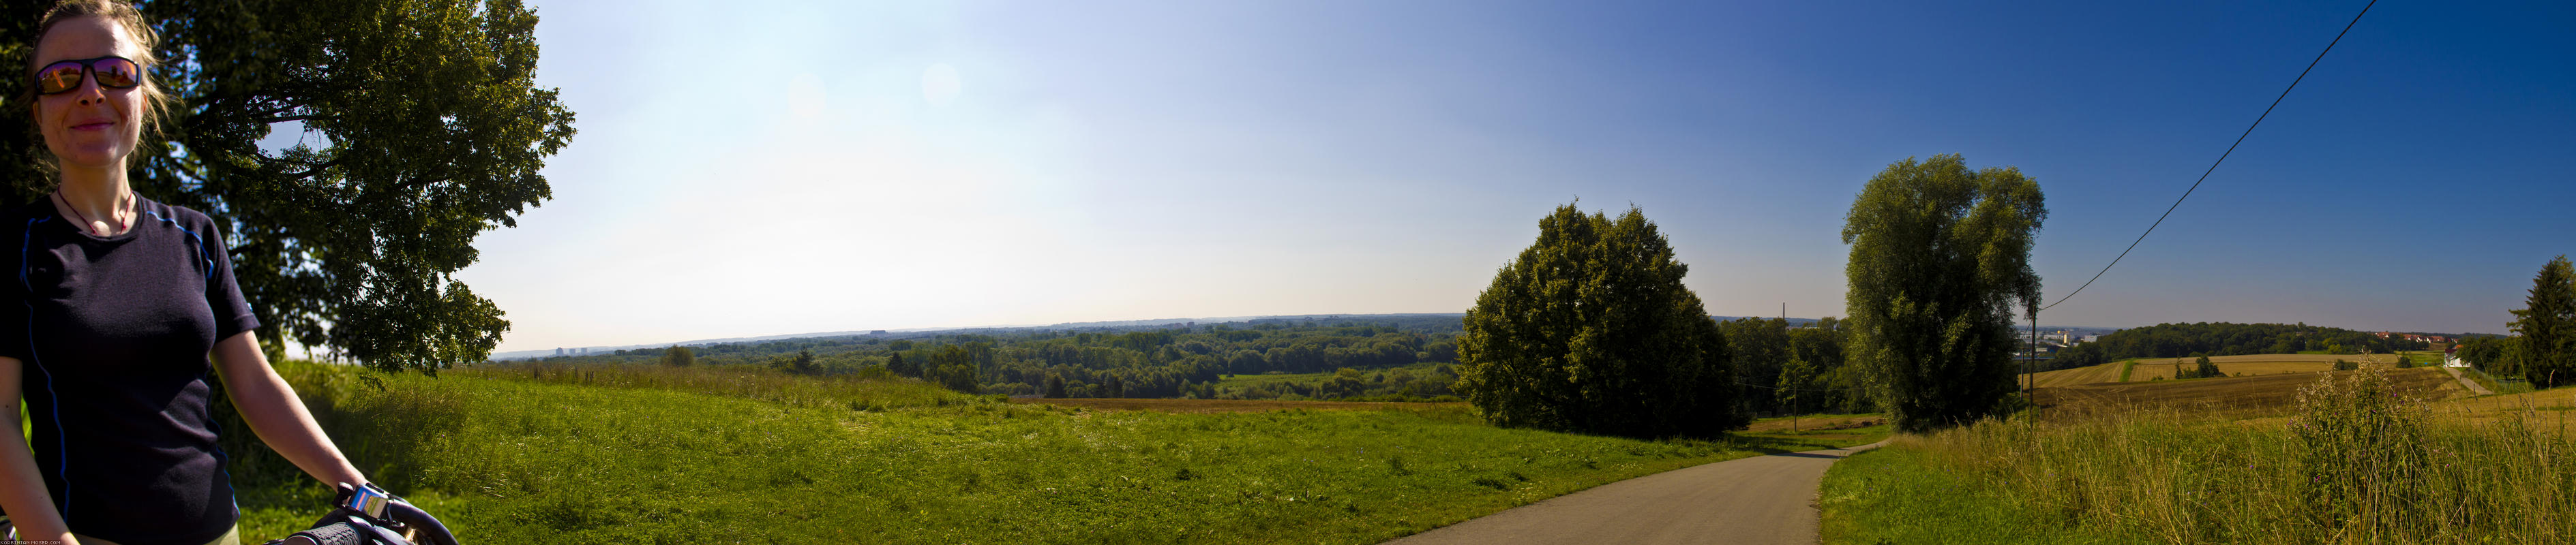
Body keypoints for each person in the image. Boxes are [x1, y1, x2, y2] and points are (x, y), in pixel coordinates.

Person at [0, 1, 386, 544]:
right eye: (62, 78)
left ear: (144, 97)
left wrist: (360, 491)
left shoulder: (194, 235)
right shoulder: (13, 244)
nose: (90, 92)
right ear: (38, 112)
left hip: (218, 531)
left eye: (113, 73)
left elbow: (255, 385)